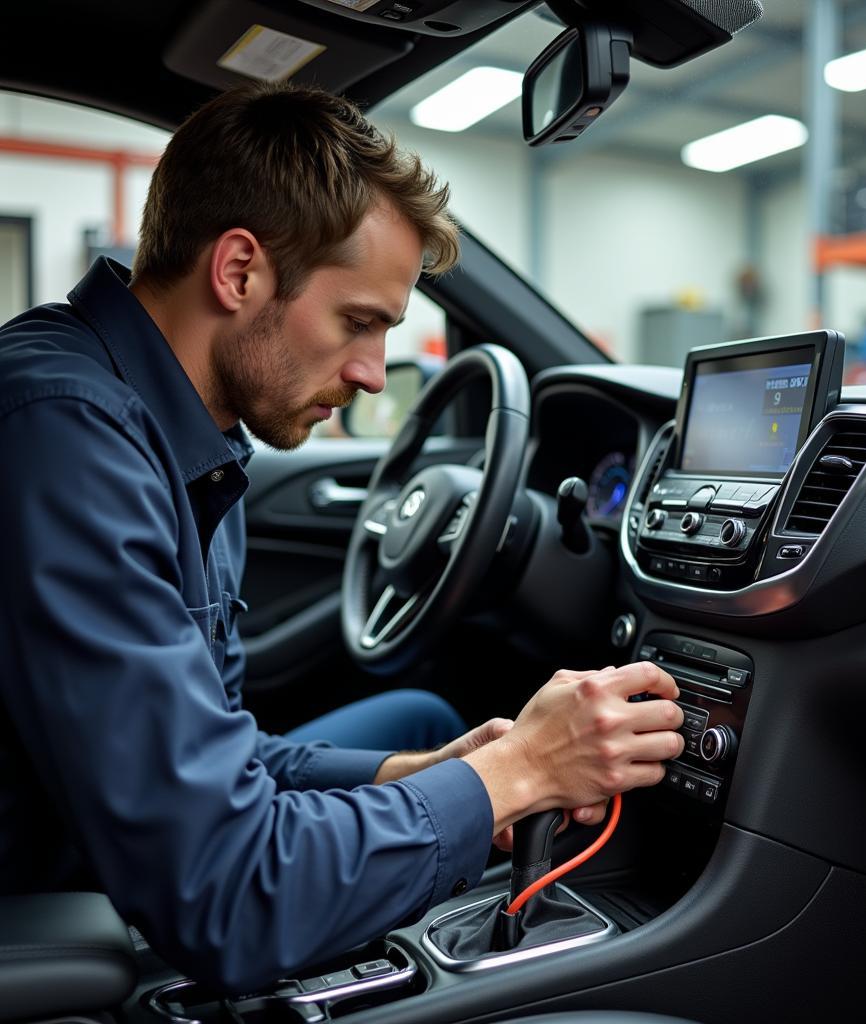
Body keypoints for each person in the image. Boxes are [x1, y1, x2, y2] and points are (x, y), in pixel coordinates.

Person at [0, 81, 685, 992]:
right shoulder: (66, 432)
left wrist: (434, 776)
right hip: (48, 914)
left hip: (88, 849)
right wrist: (519, 774)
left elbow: (223, 754)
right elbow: (229, 894)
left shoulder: (185, 432)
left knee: (431, 732)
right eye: (358, 322)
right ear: (239, 271)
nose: (372, 373)